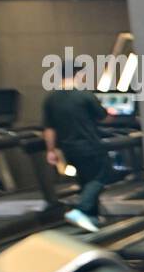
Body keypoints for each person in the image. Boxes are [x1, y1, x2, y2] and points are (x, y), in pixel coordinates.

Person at [42, 69, 116, 232]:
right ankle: (81, 210)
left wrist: (51, 151)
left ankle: (91, 218)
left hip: (68, 148)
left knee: (85, 181)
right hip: (89, 145)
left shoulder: (51, 99)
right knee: (102, 176)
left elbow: (49, 129)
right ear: (78, 74)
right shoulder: (84, 95)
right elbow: (103, 117)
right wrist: (111, 113)